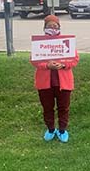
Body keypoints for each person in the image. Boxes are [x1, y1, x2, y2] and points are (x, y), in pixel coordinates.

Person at [33, 15, 79, 143]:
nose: (52, 28)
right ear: (44, 28)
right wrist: (46, 65)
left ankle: (62, 129)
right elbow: (34, 60)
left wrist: (64, 65)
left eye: (55, 26)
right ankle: (51, 129)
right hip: (45, 82)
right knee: (47, 107)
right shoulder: (39, 43)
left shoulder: (66, 42)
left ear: (59, 27)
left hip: (63, 82)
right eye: (49, 26)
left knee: (63, 107)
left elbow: (75, 59)